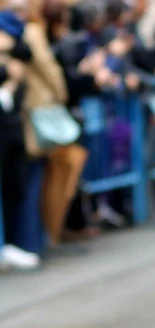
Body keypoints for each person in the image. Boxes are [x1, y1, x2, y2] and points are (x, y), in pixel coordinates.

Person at [17, 0, 89, 249]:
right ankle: (34, 239)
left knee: (41, 176)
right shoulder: (32, 33)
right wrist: (62, 94)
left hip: (33, 112)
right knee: (37, 178)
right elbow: (50, 71)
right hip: (38, 113)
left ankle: (40, 236)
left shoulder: (25, 33)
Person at [0, 1, 41, 270]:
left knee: (15, 185)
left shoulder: (18, 39)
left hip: (11, 123)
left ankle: (12, 244)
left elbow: (27, 53)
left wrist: (10, 48)